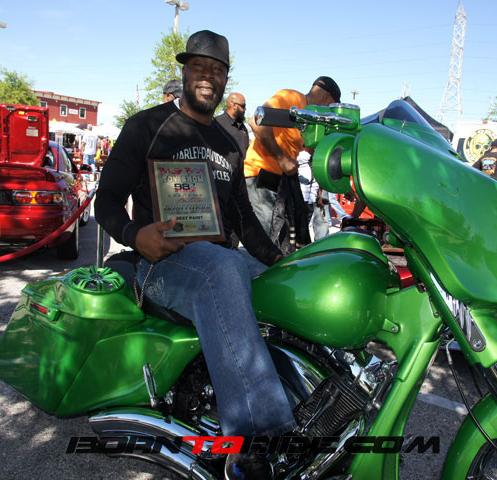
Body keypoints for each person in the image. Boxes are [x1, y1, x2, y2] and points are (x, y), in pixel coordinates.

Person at [94, 30, 294, 479]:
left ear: (225, 78)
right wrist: (134, 235)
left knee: (285, 279)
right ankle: (250, 440)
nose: (208, 76)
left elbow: (243, 219)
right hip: (160, 264)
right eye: (199, 66)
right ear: (184, 72)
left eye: (217, 69)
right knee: (223, 267)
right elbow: (105, 202)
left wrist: (283, 260)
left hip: (216, 261)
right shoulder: (146, 126)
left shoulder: (230, 143)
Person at [244, 76, 341, 242]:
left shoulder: (312, 119)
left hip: (281, 181)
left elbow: (314, 152)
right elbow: (255, 121)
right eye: (331, 107)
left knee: (285, 239)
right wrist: (282, 159)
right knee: (265, 240)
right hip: (261, 176)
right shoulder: (291, 98)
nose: (328, 112)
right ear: (327, 98)